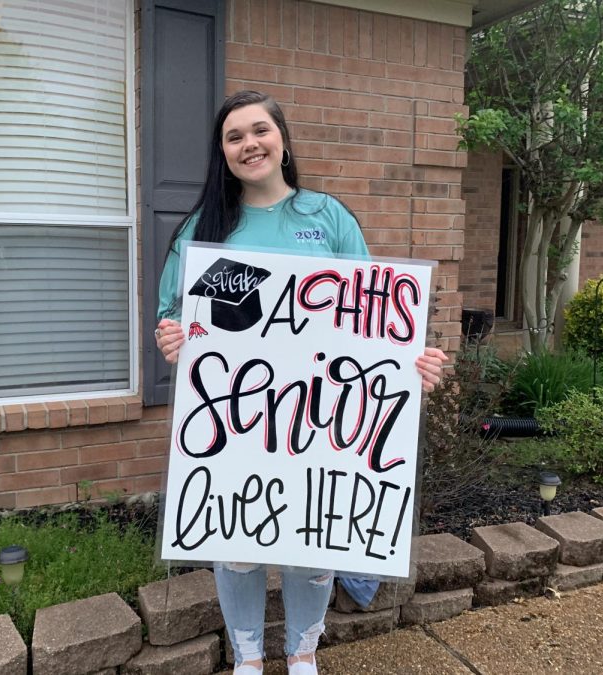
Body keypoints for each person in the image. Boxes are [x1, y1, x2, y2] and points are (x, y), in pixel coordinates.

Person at [155, 90, 447, 675]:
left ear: (282, 140)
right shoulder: (207, 228)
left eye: (259, 131)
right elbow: (175, 315)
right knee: (236, 542)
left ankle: (304, 655)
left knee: (313, 538)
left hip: (321, 414)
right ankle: (247, 659)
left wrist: (412, 363)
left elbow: (375, 319)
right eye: (234, 137)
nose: (248, 144)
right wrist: (172, 340)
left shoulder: (327, 217)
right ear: (223, 153)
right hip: (237, 417)